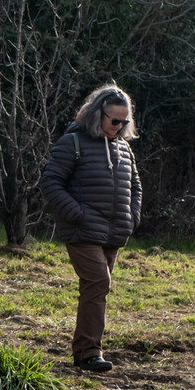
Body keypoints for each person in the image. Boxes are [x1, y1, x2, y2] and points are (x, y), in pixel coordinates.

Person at [39, 84, 141, 372]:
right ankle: (88, 353)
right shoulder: (71, 142)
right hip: (82, 231)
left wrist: (132, 216)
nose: (120, 126)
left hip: (114, 232)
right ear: (98, 114)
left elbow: (135, 185)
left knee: (97, 289)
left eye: (125, 122)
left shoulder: (123, 147)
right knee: (99, 283)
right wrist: (77, 214)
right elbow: (50, 182)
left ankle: (87, 351)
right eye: (114, 121)